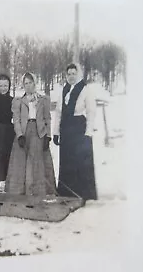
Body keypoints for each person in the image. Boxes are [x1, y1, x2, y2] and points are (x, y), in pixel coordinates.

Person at [5, 73, 56, 196]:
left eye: (30, 83)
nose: (28, 86)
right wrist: (19, 135)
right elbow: (16, 119)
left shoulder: (43, 100)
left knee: (37, 161)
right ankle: (20, 191)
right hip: (24, 132)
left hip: (38, 133)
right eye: (25, 83)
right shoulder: (18, 101)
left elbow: (47, 119)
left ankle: (38, 191)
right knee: (21, 162)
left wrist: (47, 136)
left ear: (35, 83)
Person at [53, 63, 97, 200]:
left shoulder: (85, 89)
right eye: (69, 74)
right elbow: (58, 112)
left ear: (78, 75)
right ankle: (67, 193)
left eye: (74, 74)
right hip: (66, 129)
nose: (71, 76)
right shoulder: (63, 90)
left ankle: (84, 194)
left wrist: (88, 132)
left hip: (79, 128)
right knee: (67, 161)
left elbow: (91, 112)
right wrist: (56, 132)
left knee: (80, 161)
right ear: (66, 76)